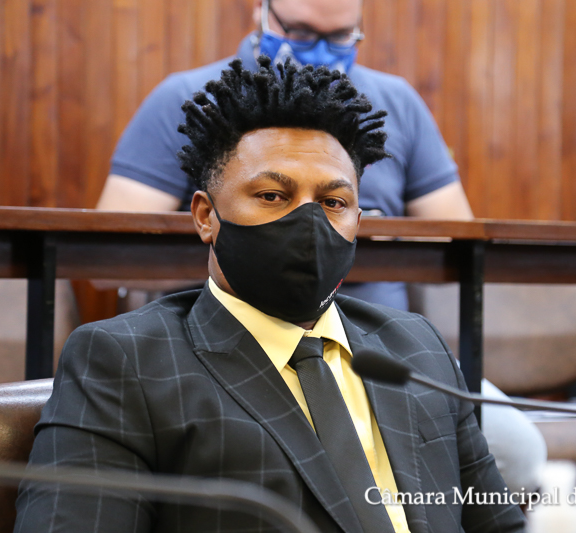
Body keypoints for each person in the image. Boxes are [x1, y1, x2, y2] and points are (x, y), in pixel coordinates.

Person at [15, 57, 526, 533]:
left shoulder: (416, 349)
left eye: (333, 202)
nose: (308, 222)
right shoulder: (124, 361)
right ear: (206, 216)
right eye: (272, 196)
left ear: (359, 219)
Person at [97, 0, 545, 492]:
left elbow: (458, 235)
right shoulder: (189, 100)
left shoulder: (396, 103)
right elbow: (109, 254)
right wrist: (260, 247)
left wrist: (356, 234)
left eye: (339, 38)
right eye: (302, 33)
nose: (320, 52)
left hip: (373, 348)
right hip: (231, 338)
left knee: (516, 449)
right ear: (262, 13)